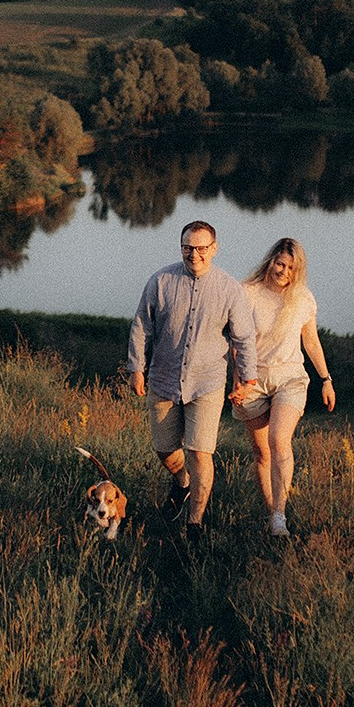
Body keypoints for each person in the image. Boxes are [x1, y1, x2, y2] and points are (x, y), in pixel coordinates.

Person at [126, 219, 257, 534]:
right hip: (162, 380)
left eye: (201, 248)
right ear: (181, 247)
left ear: (213, 249)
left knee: (200, 452)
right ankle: (182, 482)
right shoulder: (160, 281)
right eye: (187, 247)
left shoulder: (229, 289)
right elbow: (142, 325)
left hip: (207, 384)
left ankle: (194, 523)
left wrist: (247, 377)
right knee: (164, 449)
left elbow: (244, 337)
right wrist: (136, 368)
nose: (193, 254)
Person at [230, 237, 335, 538]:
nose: (283, 271)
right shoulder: (247, 293)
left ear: (297, 270)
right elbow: (237, 343)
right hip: (253, 380)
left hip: (290, 378)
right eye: (279, 263)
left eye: (291, 267)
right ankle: (272, 511)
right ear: (270, 260)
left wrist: (326, 380)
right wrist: (238, 379)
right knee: (262, 453)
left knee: (279, 439)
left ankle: (280, 516)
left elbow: (311, 341)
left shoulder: (303, 298)